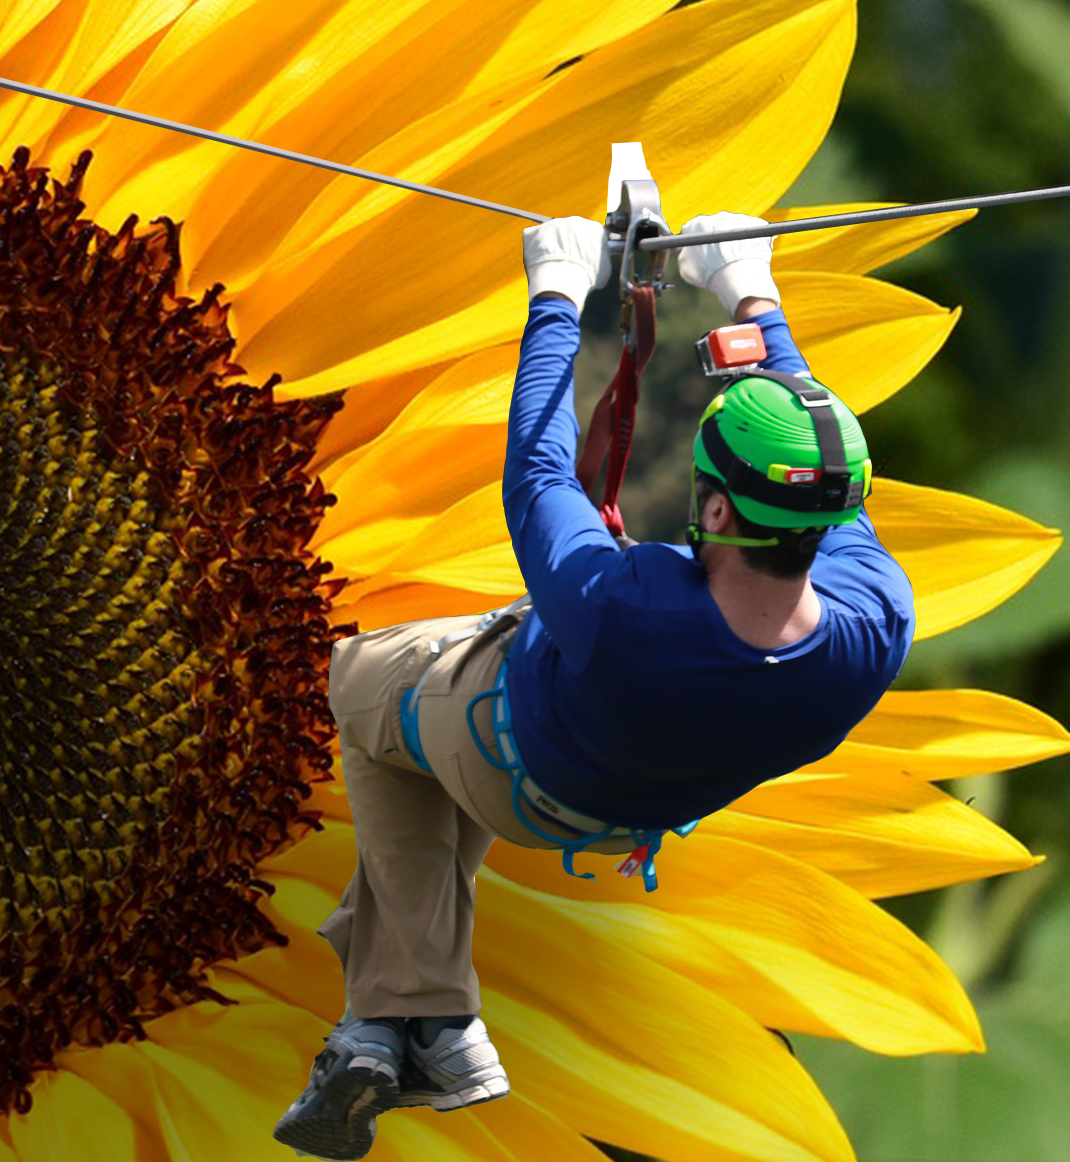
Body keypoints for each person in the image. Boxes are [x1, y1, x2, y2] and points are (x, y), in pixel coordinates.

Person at [272, 213, 915, 1160]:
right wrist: (749, 293)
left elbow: (537, 471)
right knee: (438, 737)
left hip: (513, 758)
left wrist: (556, 296)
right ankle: (396, 1027)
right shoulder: (876, 623)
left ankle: (420, 1016)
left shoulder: (625, 608)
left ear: (711, 505)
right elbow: (812, 452)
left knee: (358, 688)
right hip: (626, 812)